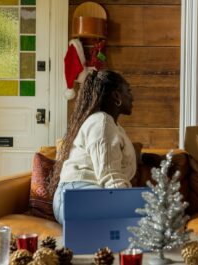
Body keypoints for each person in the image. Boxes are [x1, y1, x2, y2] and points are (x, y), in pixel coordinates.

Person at [49, 69, 136, 225]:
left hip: (81, 195)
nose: (132, 97)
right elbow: (110, 175)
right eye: (128, 91)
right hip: (76, 196)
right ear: (116, 96)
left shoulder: (113, 126)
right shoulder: (102, 123)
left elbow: (116, 158)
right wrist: (128, 207)